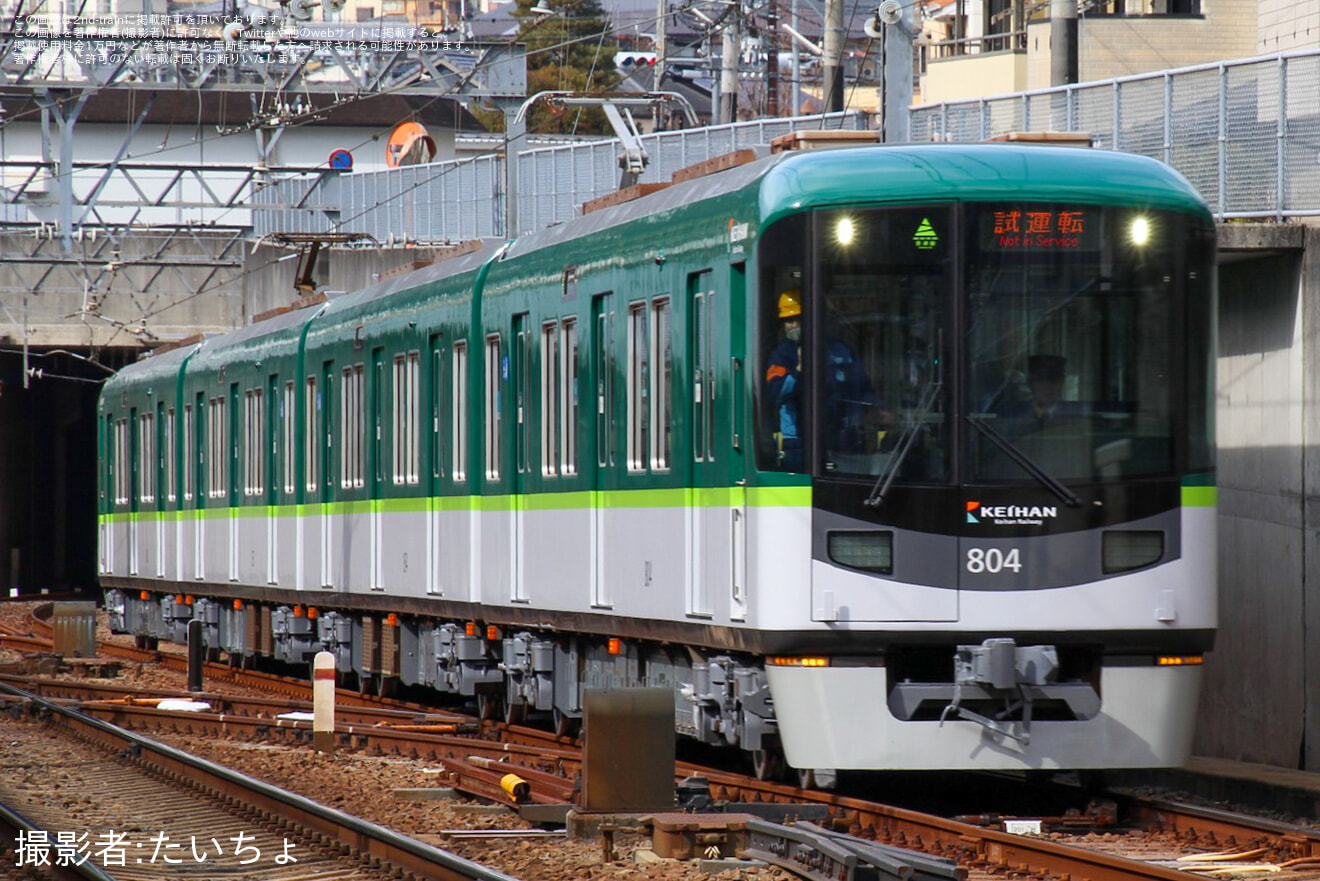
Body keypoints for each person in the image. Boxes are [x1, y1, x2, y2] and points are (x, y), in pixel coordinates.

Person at [765, 290, 806, 470]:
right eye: (790, 320)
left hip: (836, 435)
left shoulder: (835, 350)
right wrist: (797, 372)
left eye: (799, 318)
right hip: (794, 439)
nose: (795, 325)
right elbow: (775, 393)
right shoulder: (780, 356)